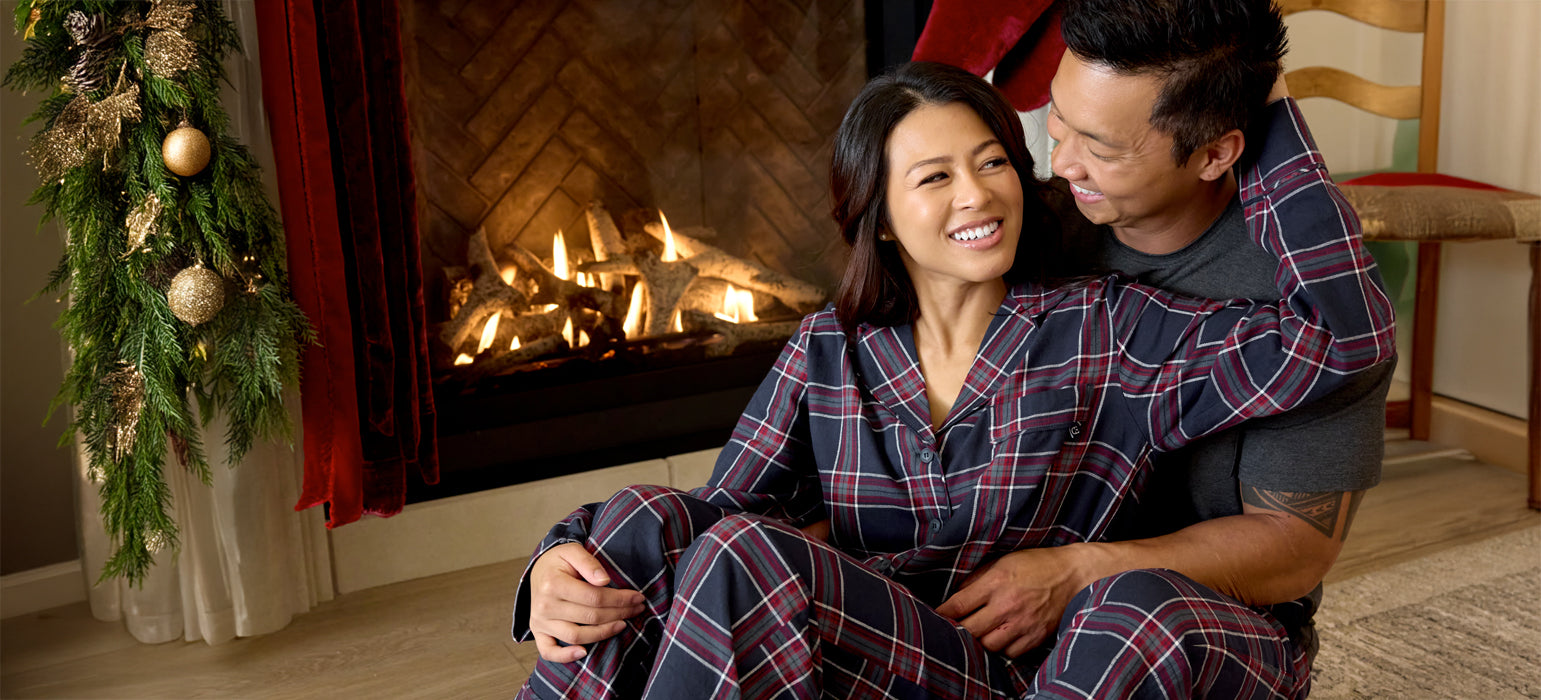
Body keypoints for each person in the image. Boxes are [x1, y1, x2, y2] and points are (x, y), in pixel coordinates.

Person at [511, 60, 1392, 699]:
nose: (977, 195)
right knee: (640, 524)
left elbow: (1337, 336)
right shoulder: (833, 346)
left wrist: (1262, 98)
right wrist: (558, 551)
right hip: (888, 657)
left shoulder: (1110, 328)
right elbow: (716, 509)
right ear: (880, 218)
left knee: (739, 553)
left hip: (1041, 673)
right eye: (935, 177)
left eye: (994, 162)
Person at [931, 1, 1397, 696]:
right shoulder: (1029, 234)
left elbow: (1296, 546)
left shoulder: (1305, 306)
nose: (1060, 162)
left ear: (1214, 152)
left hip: (1198, 628)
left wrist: (1078, 572)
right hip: (1003, 604)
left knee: (1129, 614)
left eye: (1103, 148)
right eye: (1058, 118)